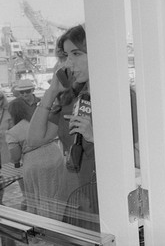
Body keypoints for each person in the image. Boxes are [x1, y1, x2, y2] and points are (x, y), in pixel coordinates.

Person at [28, 25, 97, 229]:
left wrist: (94, 137)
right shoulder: (71, 99)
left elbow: (137, 158)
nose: (69, 62)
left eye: (76, 53)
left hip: (102, 197)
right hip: (74, 196)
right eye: (66, 55)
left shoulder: (121, 97)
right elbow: (34, 138)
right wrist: (52, 90)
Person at [6, 98, 73, 219]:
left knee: (40, 196)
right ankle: (62, 218)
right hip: (55, 154)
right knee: (58, 190)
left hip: (34, 162)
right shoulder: (39, 121)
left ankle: (46, 224)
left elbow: (15, 157)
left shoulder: (12, 132)